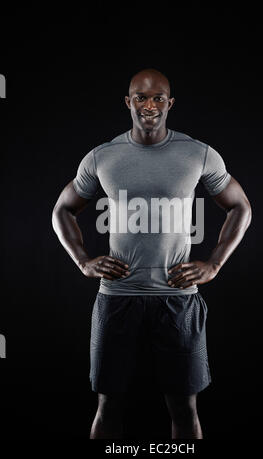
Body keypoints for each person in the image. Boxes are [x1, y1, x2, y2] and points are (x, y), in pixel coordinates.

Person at [52, 68, 252, 439]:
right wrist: (82, 260)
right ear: (128, 102)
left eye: (158, 97)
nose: (149, 105)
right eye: (140, 97)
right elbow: (62, 208)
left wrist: (215, 263)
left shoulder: (197, 153)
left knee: (183, 407)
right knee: (108, 406)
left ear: (169, 103)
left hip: (177, 299)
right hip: (117, 298)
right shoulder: (103, 156)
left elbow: (240, 205)